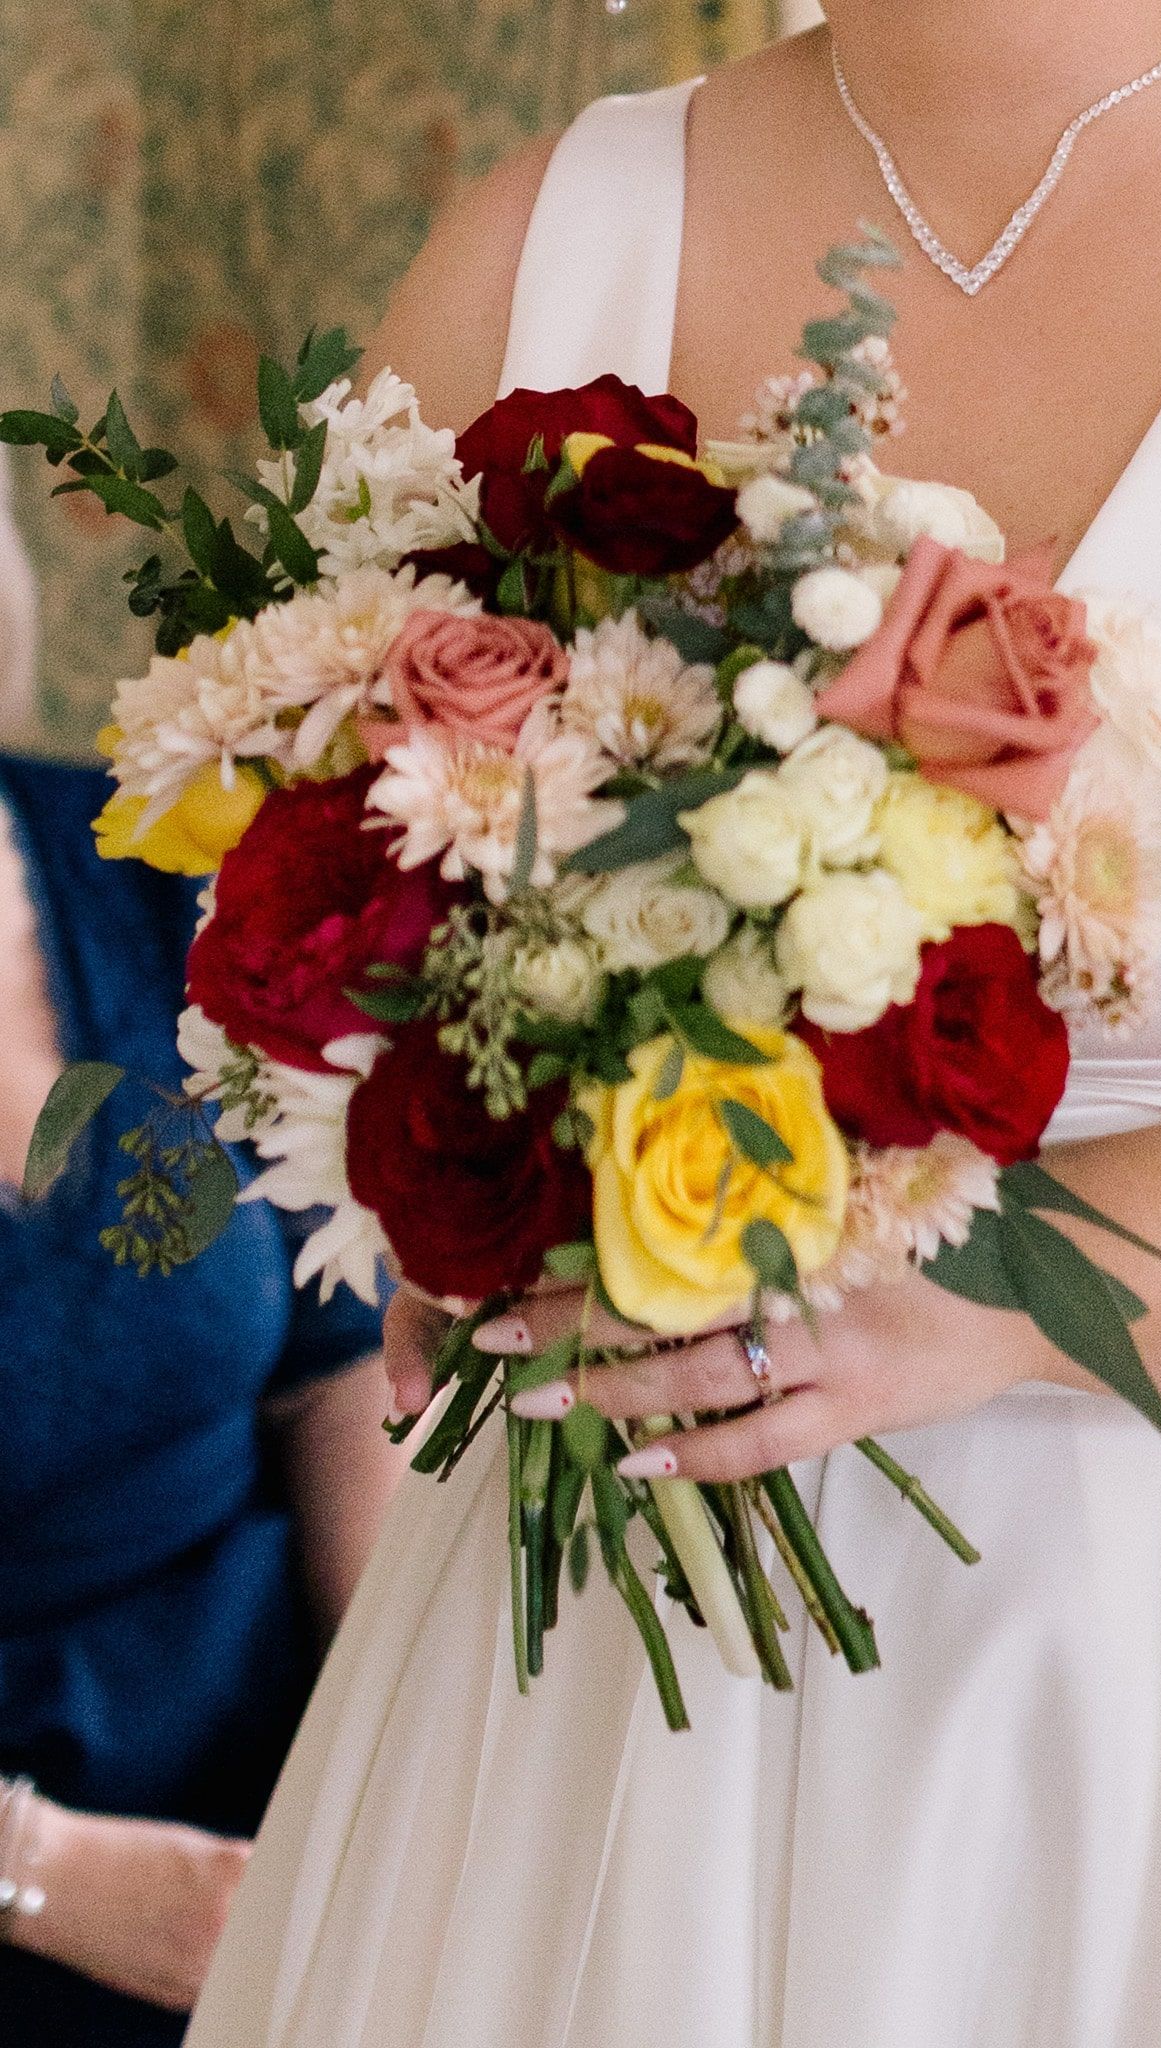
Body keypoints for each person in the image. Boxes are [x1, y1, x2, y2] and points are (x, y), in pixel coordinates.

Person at [183, 3, 1161, 2042]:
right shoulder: (537, 243)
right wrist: (459, 1205)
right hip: (596, 1693)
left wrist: (971, 1298)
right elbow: (354, 920)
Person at [0, 465, 404, 2045]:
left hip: (265, 1790)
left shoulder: (146, 871)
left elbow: (335, 1362)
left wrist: (393, 1739)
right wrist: (48, 1877)